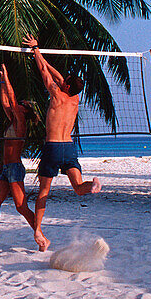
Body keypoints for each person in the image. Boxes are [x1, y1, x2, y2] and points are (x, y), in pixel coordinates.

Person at [24, 34, 101, 251]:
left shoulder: (57, 96)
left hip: (53, 147)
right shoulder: (74, 98)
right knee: (78, 188)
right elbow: (57, 77)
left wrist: (36, 49)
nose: (62, 80)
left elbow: (45, 75)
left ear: (65, 85)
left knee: (43, 192)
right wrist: (40, 55)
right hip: (69, 147)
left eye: (65, 81)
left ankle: (38, 230)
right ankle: (93, 186)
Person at [0, 64, 47, 251]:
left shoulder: (20, 123)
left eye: (21, 105)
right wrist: (2, 79)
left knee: (21, 207)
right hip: (5, 169)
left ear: (24, 111)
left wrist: (8, 75)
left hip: (15, 168)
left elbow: (11, 99)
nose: (17, 105)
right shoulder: (13, 119)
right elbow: (5, 101)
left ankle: (41, 236)